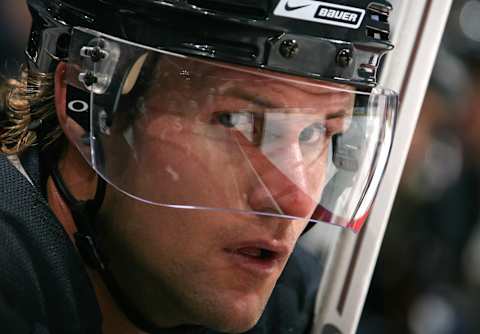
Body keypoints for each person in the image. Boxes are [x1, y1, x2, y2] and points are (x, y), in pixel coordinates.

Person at [0, 0, 398, 333]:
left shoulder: (296, 307)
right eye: (237, 121)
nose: (296, 199)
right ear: (85, 109)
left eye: (314, 132)